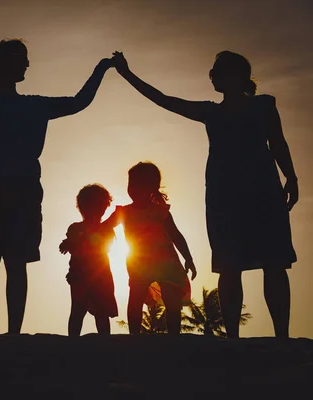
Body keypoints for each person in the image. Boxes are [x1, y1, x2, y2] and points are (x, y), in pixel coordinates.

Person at [111, 50, 298, 338]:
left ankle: (282, 336)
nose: (213, 76)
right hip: (225, 198)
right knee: (229, 265)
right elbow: (164, 100)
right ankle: (233, 337)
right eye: (213, 72)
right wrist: (127, 74)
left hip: (263, 191)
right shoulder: (211, 112)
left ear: (239, 75)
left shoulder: (263, 106)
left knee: (273, 262)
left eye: (219, 71)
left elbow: (279, 143)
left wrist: (292, 176)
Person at [0, 38, 115, 334]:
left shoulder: (32, 105)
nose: (26, 64)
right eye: (21, 58)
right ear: (1, 65)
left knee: (12, 264)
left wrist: (101, 69)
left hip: (20, 193)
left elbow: (79, 102)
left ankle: (12, 333)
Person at [103, 162, 197, 335]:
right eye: (130, 184)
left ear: (152, 187)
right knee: (136, 297)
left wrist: (188, 258)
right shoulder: (124, 212)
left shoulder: (161, 212)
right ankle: (134, 336)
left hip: (165, 262)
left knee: (172, 301)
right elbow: (104, 227)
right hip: (139, 262)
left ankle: (174, 336)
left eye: (138, 184)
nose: (133, 189)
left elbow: (176, 235)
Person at [59, 184, 119, 336]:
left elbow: (104, 246)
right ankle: (74, 341)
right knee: (78, 310)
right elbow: (73, 244)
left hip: (99, 276)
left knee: (101, 312)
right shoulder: (75, 228)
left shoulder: (105, 230)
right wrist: (68, 243)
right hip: (81, 275)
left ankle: (104, 341)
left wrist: (74, 243)